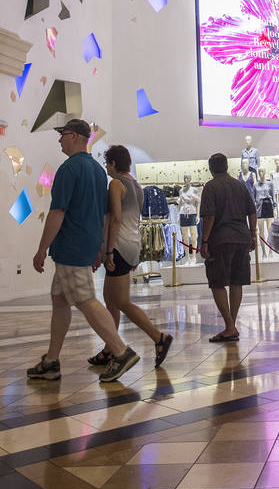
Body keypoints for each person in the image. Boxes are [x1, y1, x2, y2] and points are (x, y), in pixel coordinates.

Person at [28, 120, 139, 383]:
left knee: (86, 300)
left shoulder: (69, 169)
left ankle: (121, 352)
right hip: (84, 246)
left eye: (63, 135)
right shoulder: (98, 171)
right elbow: (104, 215)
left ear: (76, 137)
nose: (60, 140)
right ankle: (52, 360)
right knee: (60, 299)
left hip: (71, 248)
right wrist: (100, 248)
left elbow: (57, 212)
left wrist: (41, 248)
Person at [87, 145, 172, 370]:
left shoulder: (116, 184)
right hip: (132, 244)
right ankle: (109, 348)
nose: (106, 167)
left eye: (107, 163)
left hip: (119, 246)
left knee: (121, 301)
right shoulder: (136, 185)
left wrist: (107, 250)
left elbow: (115, 218)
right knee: (110, 299)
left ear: (114, 163)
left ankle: (159, 338)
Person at [199, 152, 257, 342]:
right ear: (226, 166)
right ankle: (231, 324)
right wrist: (253, 234)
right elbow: (252, 212)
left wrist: (204, 241)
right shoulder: (239, 186)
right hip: (241, 237)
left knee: (217, 282)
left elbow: (209, 217)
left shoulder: (211, 187)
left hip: (220, 240)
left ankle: (230, 326)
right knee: (236, 281)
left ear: (211, 168)